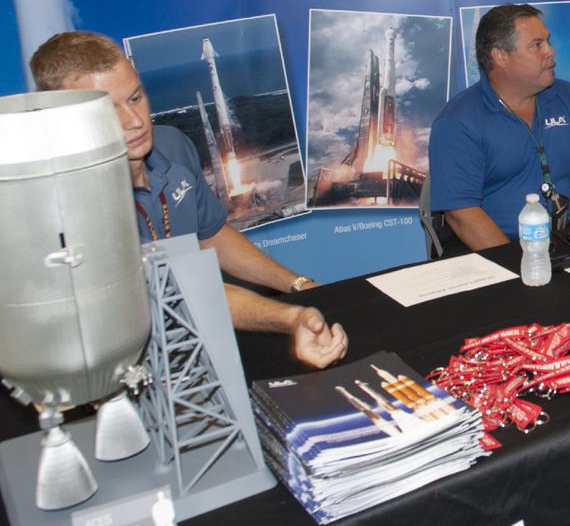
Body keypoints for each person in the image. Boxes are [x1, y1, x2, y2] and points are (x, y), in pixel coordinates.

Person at [30, 31, 348, 370]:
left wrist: (297, 284)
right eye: (108, 111)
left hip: (193, 349)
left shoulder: (172, 145)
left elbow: (211, 234)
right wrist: (288, 318)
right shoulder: (64, 207)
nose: (135, 122)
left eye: (135, 98)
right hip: (119, 367)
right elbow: (178, 294)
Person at [430, 3, 570, 251]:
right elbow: (461, 212)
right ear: (500, 56)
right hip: (493, 250)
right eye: (537, 45)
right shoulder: (458, 121)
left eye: (548, 41)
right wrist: (519, 265)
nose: (550, 52)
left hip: (566, 239)